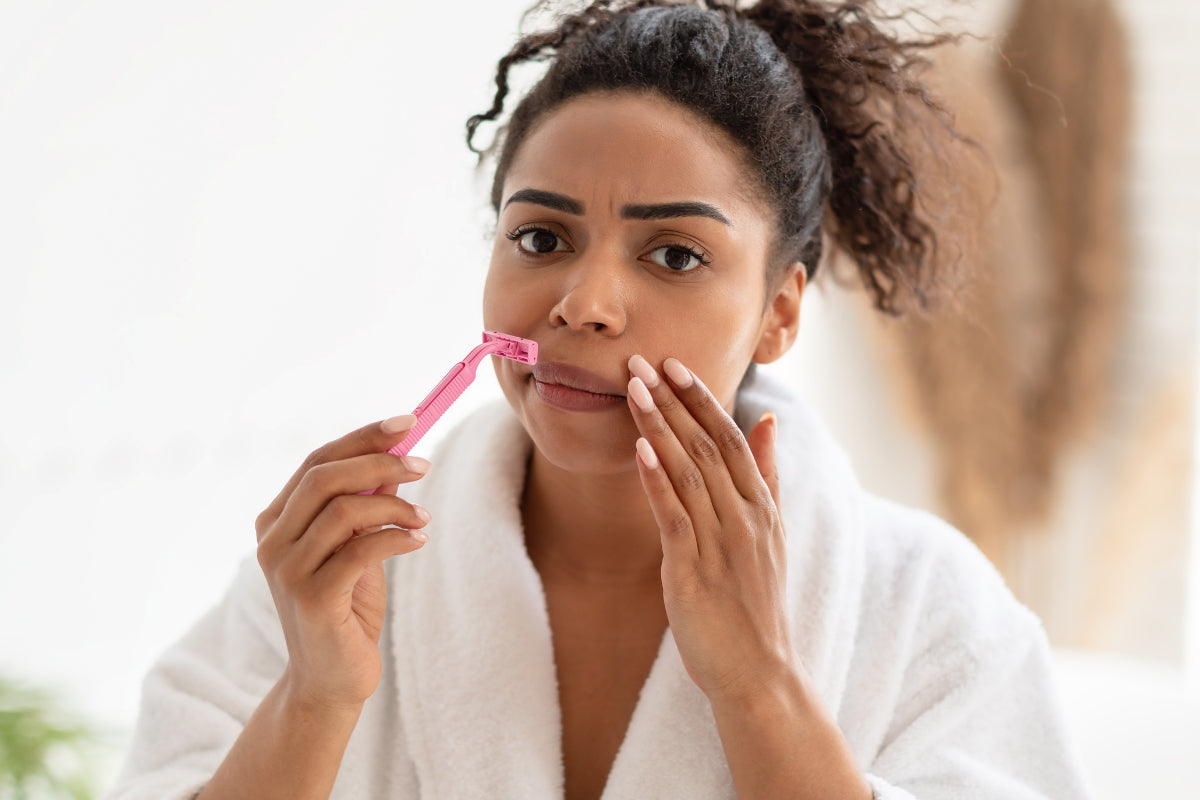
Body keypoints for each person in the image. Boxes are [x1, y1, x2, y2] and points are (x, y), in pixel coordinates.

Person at [105, 1, 1090, 798]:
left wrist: (759, 689)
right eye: (540, 237)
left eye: (674, 254)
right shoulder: (334, 585)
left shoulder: (927, 609)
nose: (582, 303)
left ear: (779, 312)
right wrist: (316, 698)